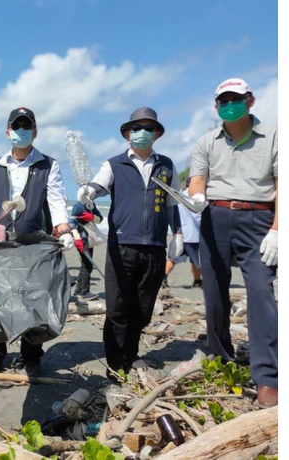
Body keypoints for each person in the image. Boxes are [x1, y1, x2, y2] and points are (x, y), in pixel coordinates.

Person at [188, 78, 278, 408]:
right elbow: (198, 180)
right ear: (216, 107)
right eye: (223, 101)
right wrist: (197, 197)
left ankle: (268, 377)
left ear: (250, 100)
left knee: (261, 292)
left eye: (236, 99)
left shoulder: (275, 136)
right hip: (215, 216)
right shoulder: (206, 142)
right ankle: (222, 359)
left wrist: (278, 230)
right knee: (213, 292)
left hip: (259, 217)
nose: (230, 105)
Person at [77, 107, 183, 378]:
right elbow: (98, 187)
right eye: (137, 128)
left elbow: (172, 204)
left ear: (157, 134)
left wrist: (178, 234)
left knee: (143, 308)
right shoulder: (114, 164)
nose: (142, 133)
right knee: (118, 308)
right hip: (121, 246)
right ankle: (115, 362)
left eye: (148, 128)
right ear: (127, 133)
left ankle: (131, 354)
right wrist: (88, 192)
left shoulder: (166, 165)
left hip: (155, 248)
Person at [0, 107, 74, 376]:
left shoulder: (48, 165)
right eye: (16, 127)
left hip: (34, 243)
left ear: (35, 132)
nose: (21, 131)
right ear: (8, 132)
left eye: (26, 126)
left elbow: (56, 200)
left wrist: (64, 230)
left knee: (34, 299)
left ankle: (31, 357)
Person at [163, 178, 202, 289]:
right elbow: (200, 218)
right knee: (196, 261)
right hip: (193, 235)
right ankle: (197, 280)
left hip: (180, 233)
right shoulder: (198, 198)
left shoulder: (179, 196)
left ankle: (163, 278)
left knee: (173, 258)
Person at [69, 201, 104, 299]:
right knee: (88, 264)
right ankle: (84, 291)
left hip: (89, 239)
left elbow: (100, 218)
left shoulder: (91, 205)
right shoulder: (78, 206)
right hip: (80, 238)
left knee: (85, 264)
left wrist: (92, 217)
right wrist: (77, 238)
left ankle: (78, 290)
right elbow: (71, 222)